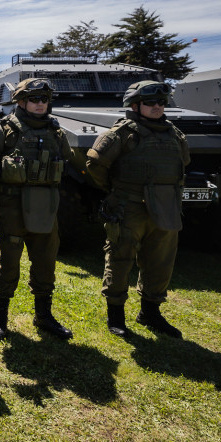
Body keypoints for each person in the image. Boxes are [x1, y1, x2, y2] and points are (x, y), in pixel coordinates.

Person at [0, 78, 84, 340]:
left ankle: (43, 316)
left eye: (44, 99)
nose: (40, 104)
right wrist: (5, 183)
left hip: (45, 207)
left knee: (46, 262)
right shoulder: (5, 129)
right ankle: (0, 318)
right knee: (9, 262)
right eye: (34, 99)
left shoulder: (56, 131)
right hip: (13, 206)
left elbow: (66, 160)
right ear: (21, 101)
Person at [86, 80, 189, 339]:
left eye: (161, 102)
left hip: (164, 208)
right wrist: (117, 191)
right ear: (134, 105)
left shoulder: (174, 133)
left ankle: (150, 312)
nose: (157, 107)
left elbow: (182, 163)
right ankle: (116, 317)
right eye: (150, 102)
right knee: (120, 260)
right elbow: (95, 164)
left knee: (160, 261)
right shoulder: (122, 133)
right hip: (128, 208)